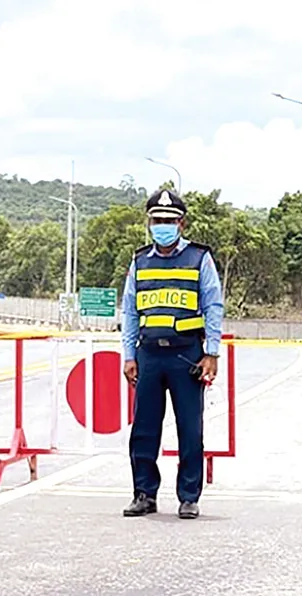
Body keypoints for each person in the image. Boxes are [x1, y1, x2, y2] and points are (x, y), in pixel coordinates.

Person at [120, 188, 224, 519]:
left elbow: (213, 306)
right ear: (148, 222)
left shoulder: (199, 258)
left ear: (181, 223)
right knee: (144, 430)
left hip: (187, 357)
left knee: (190, 429)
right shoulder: (139, 261)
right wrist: (129, 355)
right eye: (156, 220)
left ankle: (189, 496)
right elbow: (131, 313)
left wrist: (212, 352)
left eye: (168, 220)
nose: (161, 225)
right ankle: (144, 493)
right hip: (149, 354)